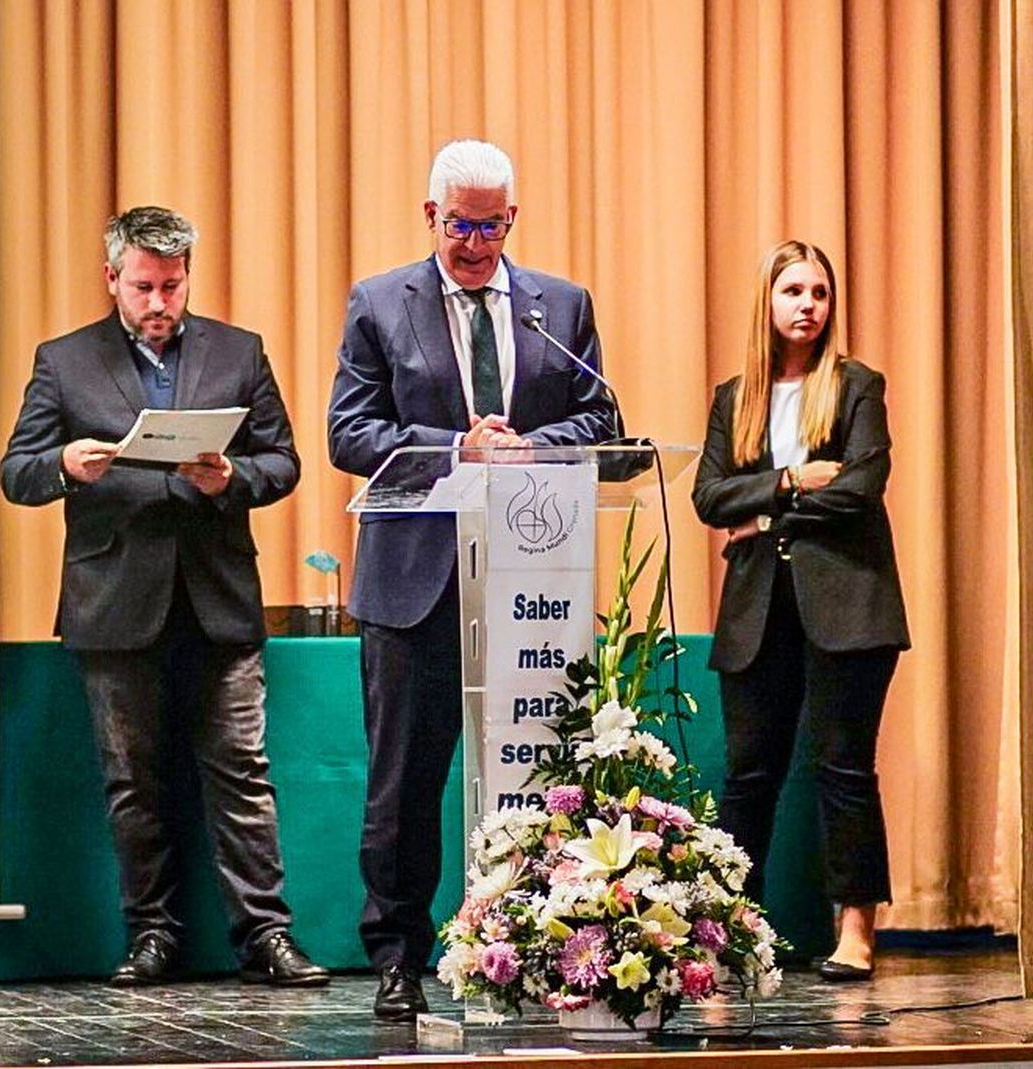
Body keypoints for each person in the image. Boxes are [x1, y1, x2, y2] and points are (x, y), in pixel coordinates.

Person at [1, 206, 327, 989]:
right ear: (112, 278)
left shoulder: (238, 351)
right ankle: (151, 934)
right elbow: (16, 471)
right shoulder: (65, 360)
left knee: (242, 772)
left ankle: (267, 936)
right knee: (132, 783)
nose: (159, 303)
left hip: (217, 599)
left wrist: (234, 479)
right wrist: (63, 466)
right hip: (114, 603)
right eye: (144, 286)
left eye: (173, 287)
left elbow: (283, 461)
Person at [328, 139, 616, 1020]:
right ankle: (398, 958)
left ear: (512, 220)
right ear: (431, 218)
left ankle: (536, 949)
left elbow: (601, 416)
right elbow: (350, 432)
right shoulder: (381, 302)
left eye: (491, 226)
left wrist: (531, 447)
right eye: (461, 225)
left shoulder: (556, 307)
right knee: (405, 783)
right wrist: (459, 448)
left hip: (533, 582)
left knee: (536, 771)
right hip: (415, 585)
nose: (476, 242)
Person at [692, 240, 909, 982]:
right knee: (750, 775)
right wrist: (789, 482)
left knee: (845, 768)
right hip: (759, 608)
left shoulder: (856, 387)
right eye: (793, 290)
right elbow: (708, 497)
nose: (807, 304)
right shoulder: (734, 397)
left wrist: (764, 517)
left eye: (819, 291)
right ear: (768, 301)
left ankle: (856, 931)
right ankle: (731, 930)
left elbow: (860, 488)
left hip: (849, 602)